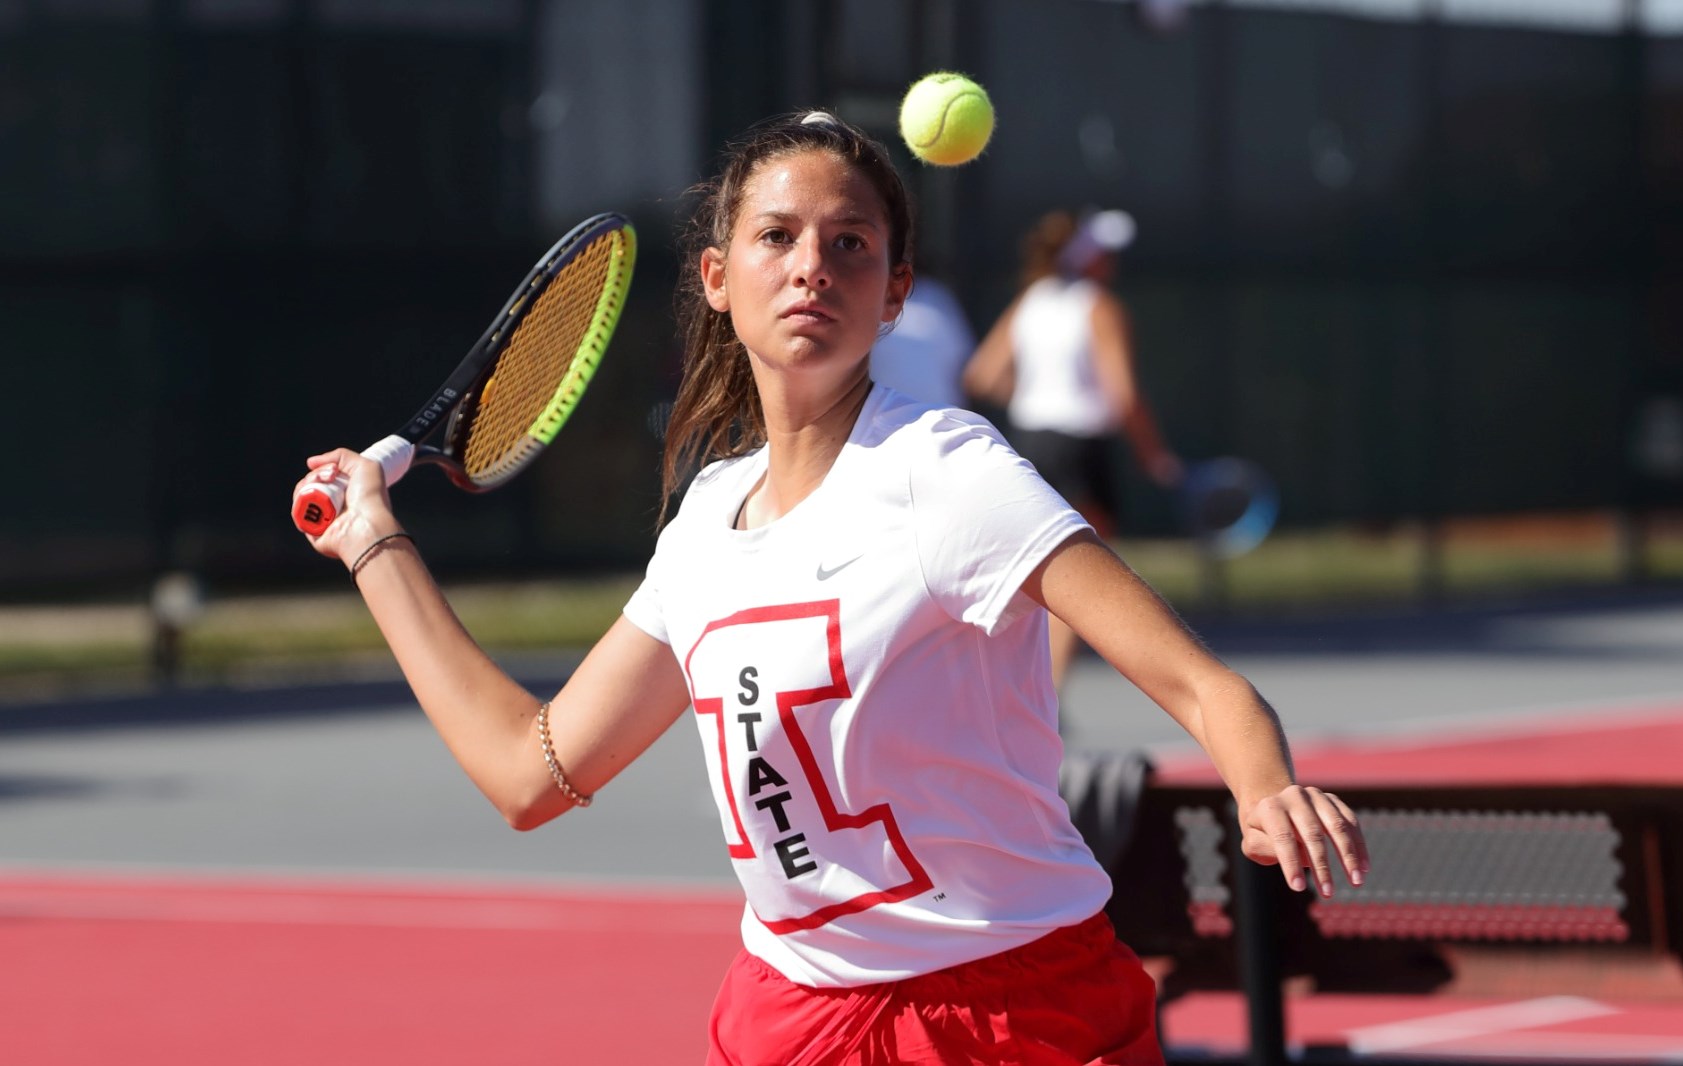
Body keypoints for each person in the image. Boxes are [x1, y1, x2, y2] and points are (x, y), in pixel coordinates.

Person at [291, 111, 1366, 1066]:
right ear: (717, 279)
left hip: (1014, 1017)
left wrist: (1262, 782)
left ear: (892, 291)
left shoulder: (948, 473)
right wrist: (378, 548)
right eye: (777, 237)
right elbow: (530, 773)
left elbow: (1204, 687)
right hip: (791, 1019)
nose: (811, 265)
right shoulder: (705, 521)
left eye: (848, 245)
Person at [962, 208, 1184, 688]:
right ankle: (1046, 695)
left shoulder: (1031, 301)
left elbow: (980, 374)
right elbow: (1123, 395)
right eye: (1106, 253)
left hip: (1030, 445)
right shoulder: (1099, 306)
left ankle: (1012, 692)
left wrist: (1033, 394)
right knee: (1080, 579)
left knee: (1030, 575)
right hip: (1081, 450)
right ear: (1087, 258)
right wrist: (1154, 455)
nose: (1112, 262)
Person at [868, 271, 975, 410]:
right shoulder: (862, 303)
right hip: (879, 423)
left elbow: (965, 371)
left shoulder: (935, 296)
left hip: (942, 419)